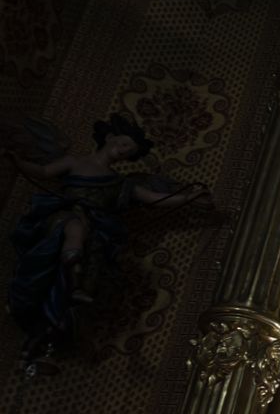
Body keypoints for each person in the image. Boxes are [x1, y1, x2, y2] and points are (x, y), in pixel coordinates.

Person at [7, 114, 212, 358]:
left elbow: (155, 199)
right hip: (62, 219)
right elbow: (41, 170)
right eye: (124, 144)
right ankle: (72, 272)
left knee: (87, 269)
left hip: (94, 234)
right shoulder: (74, 162)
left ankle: (48, 331)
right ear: (110, 137)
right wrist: (17, 160)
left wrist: (188, 197)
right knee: (75, 227)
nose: (122, 152)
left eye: (129, 152)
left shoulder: (121, 183)